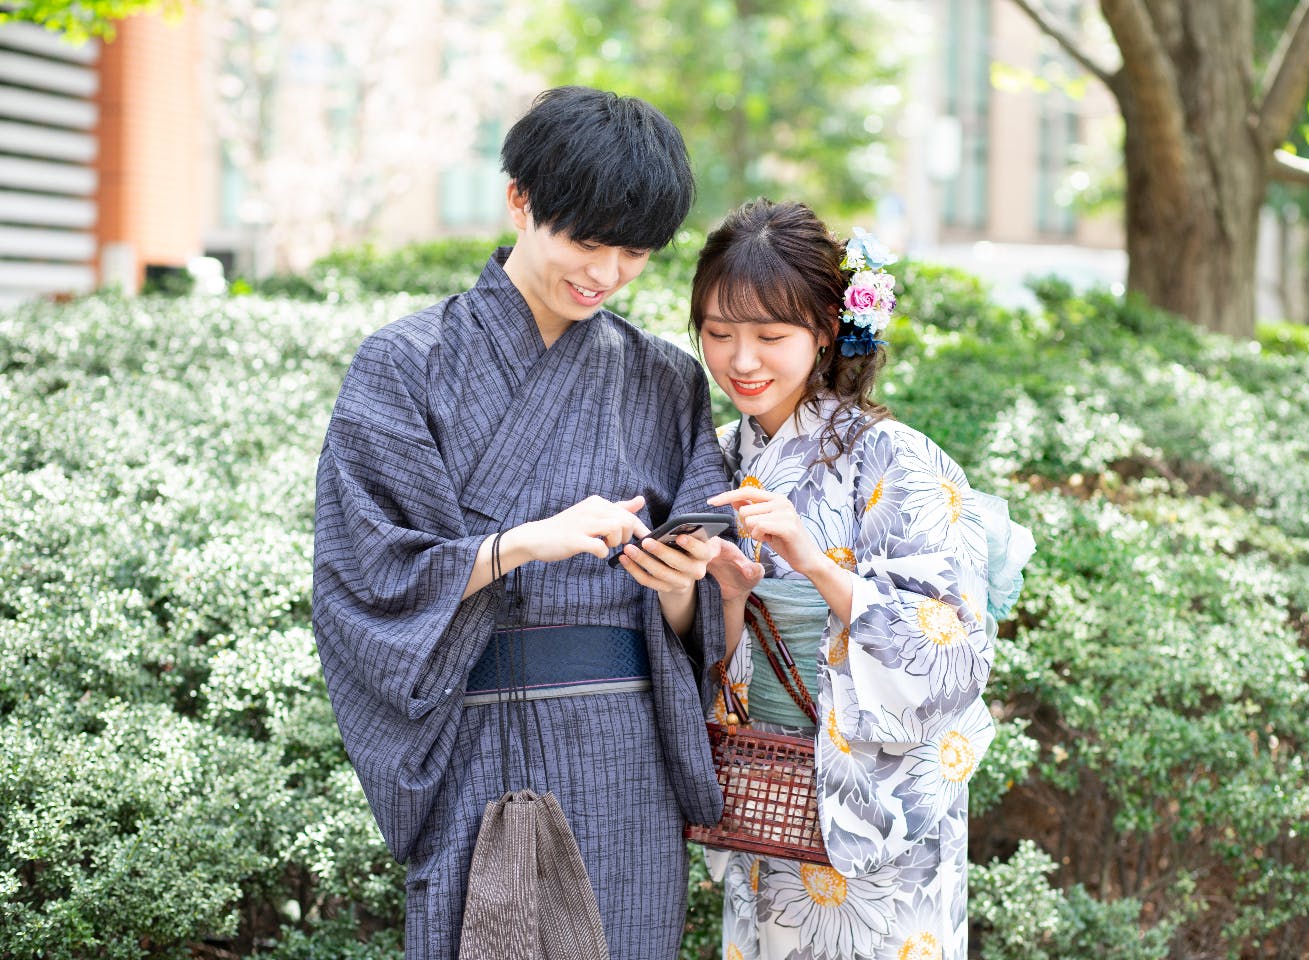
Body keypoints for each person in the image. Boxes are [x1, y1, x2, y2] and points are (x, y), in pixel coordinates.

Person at [311, 86, 729, 960]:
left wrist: (685, 592)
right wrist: (515, 546)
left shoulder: (666, 380)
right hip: (479, 752)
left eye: (634, 253)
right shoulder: (405, 366)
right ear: (519, 199)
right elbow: (364, 576)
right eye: (585, 241)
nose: (607, 274)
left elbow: (697, 620)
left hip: (628, 760)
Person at [691, 199, 1035, 959]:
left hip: (873, 807)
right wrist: (727, 596)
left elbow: (950, 653)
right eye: (718, 334)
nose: (740, 360)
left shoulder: (898, 459)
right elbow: (702, 657)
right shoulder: (713, 456)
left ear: (824, 331)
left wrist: (813, 562)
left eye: (769, 336)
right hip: (764, 796)